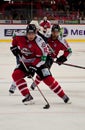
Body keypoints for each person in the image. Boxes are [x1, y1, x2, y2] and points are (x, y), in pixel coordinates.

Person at [10, 24, 70, 105]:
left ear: (36, 33)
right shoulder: (19, 35)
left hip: (40, 62)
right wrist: (14, 47)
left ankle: (63, 96)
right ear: (26, 33)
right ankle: (27, 96)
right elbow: (14, 40)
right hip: (26, 61)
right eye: (29, 34)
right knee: (16, 75)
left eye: (33, 34)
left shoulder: (40, 42)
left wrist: (34, 67)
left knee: (48, 79)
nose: (31, 36)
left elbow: (43, 58)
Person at [30, 24, 72, 102]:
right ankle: (33, 84)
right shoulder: (46, 36)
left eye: (57, 32)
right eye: (54, 32)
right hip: (42, 56)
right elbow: (38, 38)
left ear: (59, 32)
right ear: (51, 31)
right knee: (42, 73)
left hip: (50, 59)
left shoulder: (61, 40)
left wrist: (62, 58)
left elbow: (69, 51)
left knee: (45, 73)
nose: (55, 34)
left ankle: (34, 84)